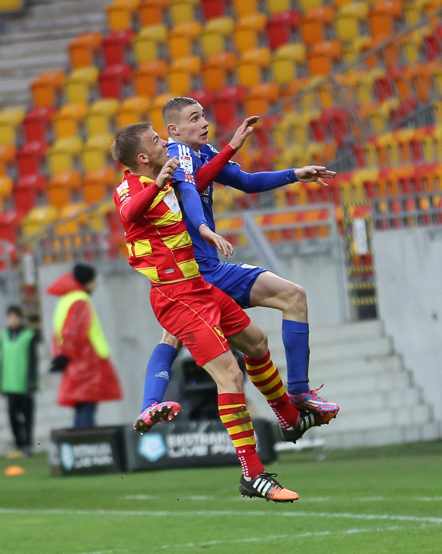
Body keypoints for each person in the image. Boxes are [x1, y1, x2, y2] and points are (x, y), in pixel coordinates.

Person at [111, 122, 337, 501]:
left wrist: (231, 148)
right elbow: (130, 213)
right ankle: (254, 474)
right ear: (143, 157)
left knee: (256, 342)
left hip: (199, 286)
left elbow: (205, 182)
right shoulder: (131, 189)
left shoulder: (172, 175)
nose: (165, 142)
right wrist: (157, 185)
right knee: (229, 374)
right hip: (176, 296)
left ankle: (289, 416)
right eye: (157, 140)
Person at [135, 97, 338, 433]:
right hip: (197, 268)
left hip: (190, 273)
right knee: (291, 298)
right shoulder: (174, 153)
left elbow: (246, 181)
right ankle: (298, 393)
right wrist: (231, 148)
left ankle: (149, 406)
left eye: (203, 116)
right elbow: (193, 187)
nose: (204, 123)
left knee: (227, 342)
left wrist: (294, 174)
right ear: (174, 130)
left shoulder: (202, 152)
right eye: (194, 118)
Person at [47, 264, 122, 428]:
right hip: (86, 360)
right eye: (93, 280)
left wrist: (62, 356)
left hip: (74, 360)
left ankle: (80, 439)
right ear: (86, 281)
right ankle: (86, 440)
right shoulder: (80, 300)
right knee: (87, 406)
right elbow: (74, 331)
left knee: (81, 405)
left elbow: (62, 332)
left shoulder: (66, 299)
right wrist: (66, 354)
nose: (95, 284)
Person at [1, 306, 39, 457]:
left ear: (20, 319)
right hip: (9, 384)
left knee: (27, 416)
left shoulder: (28, 336)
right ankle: (19, 444)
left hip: (24, 384)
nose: (12, 320)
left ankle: (28, 445)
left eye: (15, 317)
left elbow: (33, 360)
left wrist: (31, 381)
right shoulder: (3, 337)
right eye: (10, 318)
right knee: (12, 416)